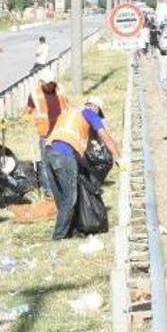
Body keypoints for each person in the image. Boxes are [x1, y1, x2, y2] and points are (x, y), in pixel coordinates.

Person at [44, 97, 122, 240]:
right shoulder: (90, 113)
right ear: (96, 108)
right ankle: (58, 236)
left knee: (61, 197)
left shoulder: (70, 112)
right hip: (64, 155)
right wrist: (117, 157)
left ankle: (68, 230)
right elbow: (104, 136)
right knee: (70, 198)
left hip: (48, 153)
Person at [25, 69, 69, 195]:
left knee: (63, 159)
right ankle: (48, 189)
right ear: (42, 83)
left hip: (61, 131)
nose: (50, 86)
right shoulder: (35, 94)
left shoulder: (60, 89)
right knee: (46, 162)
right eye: (47, 83)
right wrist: (26, 118)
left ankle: (63, 185)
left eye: (51, 83)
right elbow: (29, 109)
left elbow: (67, 104)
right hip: (46, 133)